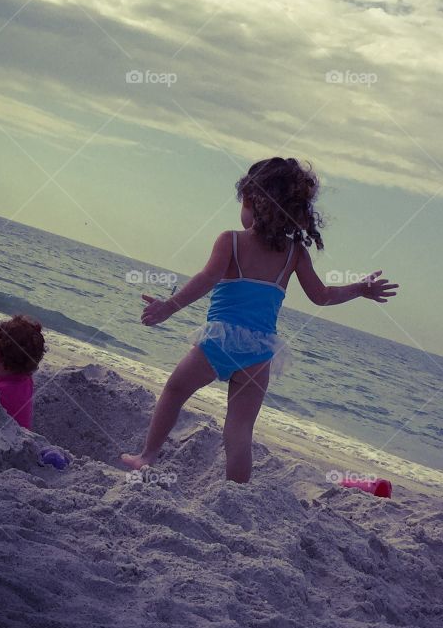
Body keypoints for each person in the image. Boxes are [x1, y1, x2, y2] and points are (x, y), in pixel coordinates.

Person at [120, 157, 398, 483]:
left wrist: (169, 306)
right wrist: (359, 288)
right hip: (259, 352)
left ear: (251, 201)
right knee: (239, 429)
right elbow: (322, 296)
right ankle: (236, 488)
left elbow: (206, 279)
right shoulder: (295, 254)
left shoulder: (231, 241)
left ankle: (147, 456)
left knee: (175, 390)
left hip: (218, 342)